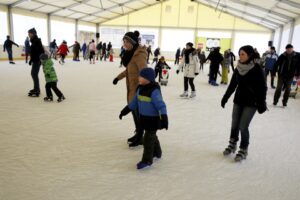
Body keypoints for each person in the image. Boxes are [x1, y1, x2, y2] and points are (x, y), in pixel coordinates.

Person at [221, 45, 267, 162]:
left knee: (243, 126)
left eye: (243, 54)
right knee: (234, 124)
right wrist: (225, 97)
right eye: (240, 54)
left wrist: (261, 102)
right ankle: (232, 144)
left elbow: (263, 88)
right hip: (239, 100)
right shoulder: (238, 68)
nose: (240, 56)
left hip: (251, 103)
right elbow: (232, 85)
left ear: (249, 55)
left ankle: (243, 149)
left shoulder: (257, 69)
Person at [119, 68, 168, 169]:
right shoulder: (140, 89)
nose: (139, 78)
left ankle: (147, 160)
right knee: (151, 137)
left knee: (147, 140)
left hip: (153, 121)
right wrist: (124, 111)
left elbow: (161, 105)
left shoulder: (154, 91)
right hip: (144, 120)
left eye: (141, 77)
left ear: (148, 79)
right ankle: (157, 152)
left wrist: (164, 118)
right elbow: (134, 103)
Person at [112, 30, 147, 147]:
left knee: (137, 113)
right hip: (131, 88)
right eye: (123, 41)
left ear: (131, 42)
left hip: (138, 89)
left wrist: (142, 88)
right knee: (134, 113)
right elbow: (129, 70)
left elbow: (144, 72)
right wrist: (118, 78)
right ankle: (138, 133)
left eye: (126, 41)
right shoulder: (131, 53)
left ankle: (140, 136)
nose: (124, 44)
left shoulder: (139, 55)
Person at [28, 28, 44, 97]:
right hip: (35, 60)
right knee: (33, 74)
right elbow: (33, 52)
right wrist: (31, 59)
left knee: (34, 74)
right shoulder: (33, 41)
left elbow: (41, 51)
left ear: (33, 33)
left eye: (30, 33)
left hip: (37, 60)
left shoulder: (37, 41)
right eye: (28, 33)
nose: (28, 34)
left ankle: (37, 90)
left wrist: (40, 60)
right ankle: (36, 88)